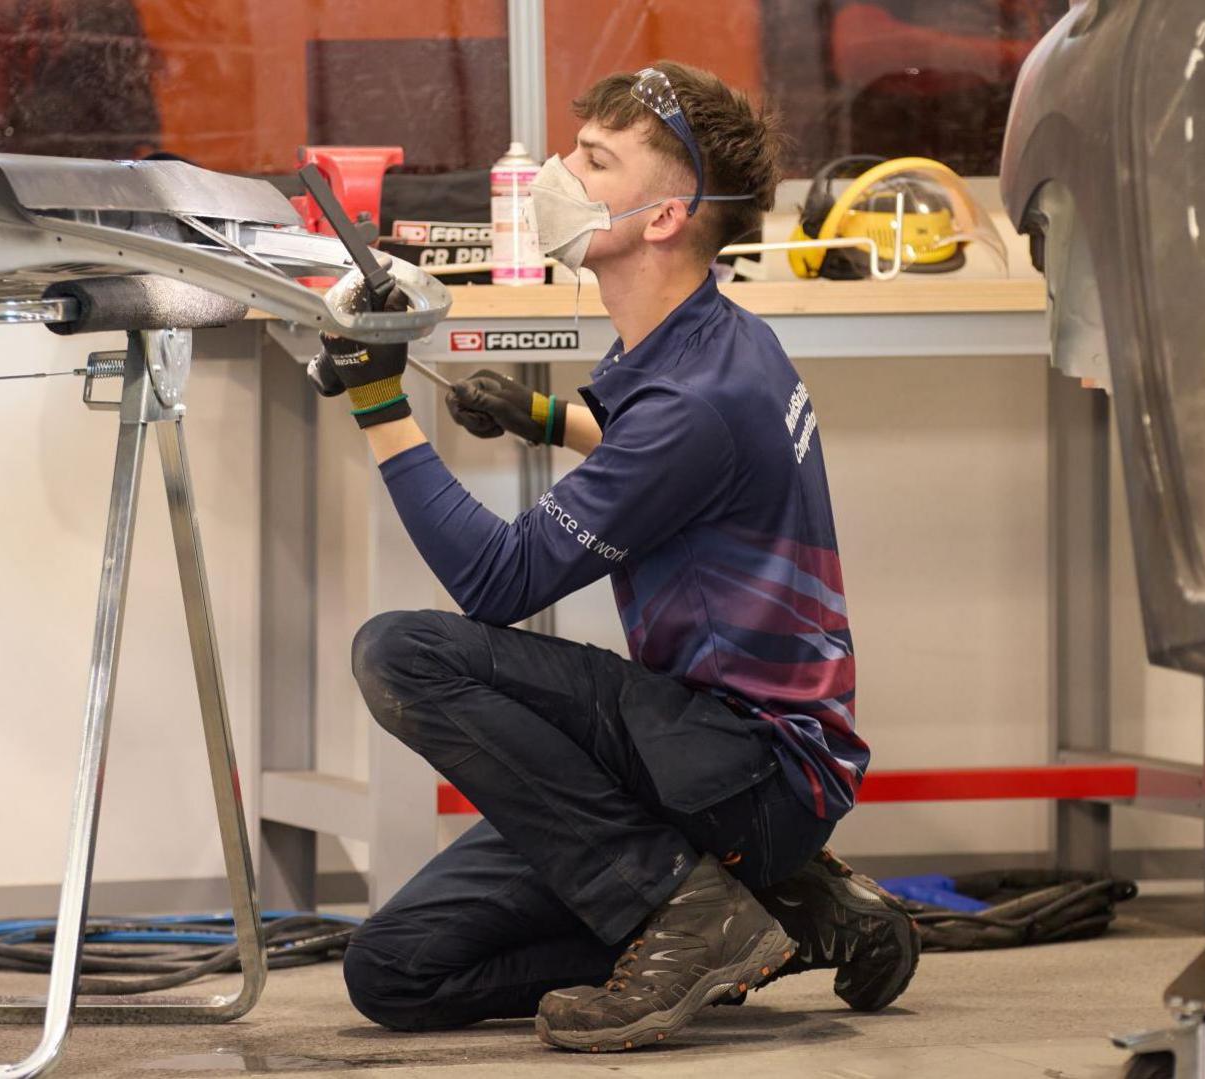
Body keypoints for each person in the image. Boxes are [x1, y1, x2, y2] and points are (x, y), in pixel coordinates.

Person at [308, 61, 919, 1052]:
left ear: (666, 217)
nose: (557, 174)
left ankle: (693, 904)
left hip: (751, 766)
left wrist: (381, 403)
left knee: (403, 653)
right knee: (398, 971)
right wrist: (543, 417)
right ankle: (785, 918)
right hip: (695, 756)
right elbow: (667, 455)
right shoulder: (710, 341)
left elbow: (499, 582)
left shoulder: (696, 399)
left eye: (594, 160)